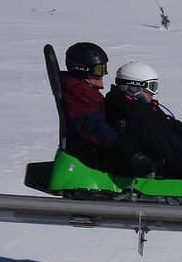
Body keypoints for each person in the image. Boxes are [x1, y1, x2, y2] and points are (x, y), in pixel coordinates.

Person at [59, 42, 150, 175]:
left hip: (97, 148)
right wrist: (131, 154)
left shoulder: (83, 91)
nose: (103, 75)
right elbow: (95, 130)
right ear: (82, 70)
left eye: (104, 69)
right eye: (98, 71)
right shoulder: (80, 95)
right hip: (92, 154)